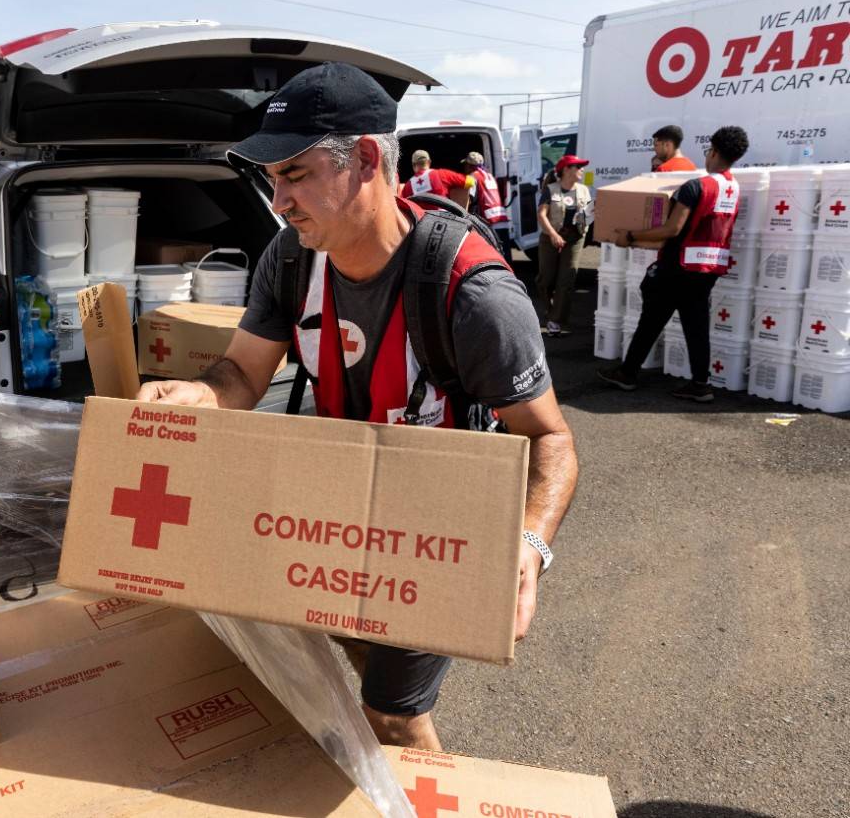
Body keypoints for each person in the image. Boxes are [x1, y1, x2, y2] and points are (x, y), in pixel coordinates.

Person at [137, 62, 579, 750]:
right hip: (336, 515)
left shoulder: (475, 294)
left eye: (296, 174)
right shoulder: (289, 261)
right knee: (357, 650)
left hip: (436, 527)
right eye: (271, 178)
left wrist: (528, 544)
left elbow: (550, 439)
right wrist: (198, 393)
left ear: (367, 158)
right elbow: (241, 375)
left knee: (394, 715)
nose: (277, 200)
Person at [599, 125, 750, 402]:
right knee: (696, 325)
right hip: (708, 268)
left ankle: (627, 374)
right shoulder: (732, 188)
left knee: (651, 319)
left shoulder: (696, 187)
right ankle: (700, 383)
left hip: (678, 266)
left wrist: (630, 236)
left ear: (714, 151)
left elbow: (671, 229)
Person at [536, 155, 592, 337]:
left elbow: (589, 214)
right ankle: (549, 308)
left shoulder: (584, 190)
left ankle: (555, 320)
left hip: (575, 239)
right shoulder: (551, 190)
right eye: (578, 167)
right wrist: (553, 234)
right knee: (547, 278)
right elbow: (542, 215)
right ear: (566, 169)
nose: (582, 170)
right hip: (550, 237)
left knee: (566, 279)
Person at [460, 151, 513, 262]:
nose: (464, 168)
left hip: (488, 223)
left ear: (469, 166)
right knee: (505, 258)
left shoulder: (471, 177)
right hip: (501, 218)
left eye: (465, 165)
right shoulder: (489, 175)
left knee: (489, 258)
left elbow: (469, 199)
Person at [400, 149, 471, 209]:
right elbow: (469, 182)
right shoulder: (441, 174)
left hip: (420, 222)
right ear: (429, 162)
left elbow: (403, 206)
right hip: (443, 219)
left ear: (414, 165)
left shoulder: (408, 185)